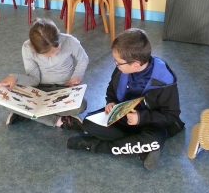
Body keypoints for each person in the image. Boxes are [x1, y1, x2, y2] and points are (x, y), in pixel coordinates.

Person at [66, 28, 185, 171]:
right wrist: (111, 102)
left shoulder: (164, 80)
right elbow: (111, 88)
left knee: (153, 139)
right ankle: (139, 147)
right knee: (89, 123)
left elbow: (171, 115)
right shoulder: (123, 69)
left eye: (117, 62)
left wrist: (140, 118)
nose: (115, 64)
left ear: (135, 64)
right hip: (123, 115)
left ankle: (94, 145)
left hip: (151, 122)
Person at [0, 18, 89, 130]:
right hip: (39, 89)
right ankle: (58, 121)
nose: (54, 56)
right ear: (35, 49)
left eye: (57, 50)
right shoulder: (27, 48)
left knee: (81, 105)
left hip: (63, 89)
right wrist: (14, 78)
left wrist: (77, 76)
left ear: (59, 36)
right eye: (48, 55)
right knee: (5, 99)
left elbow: (83, 59)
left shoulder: (70, 41)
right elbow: (34, 80)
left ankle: (26, 113)